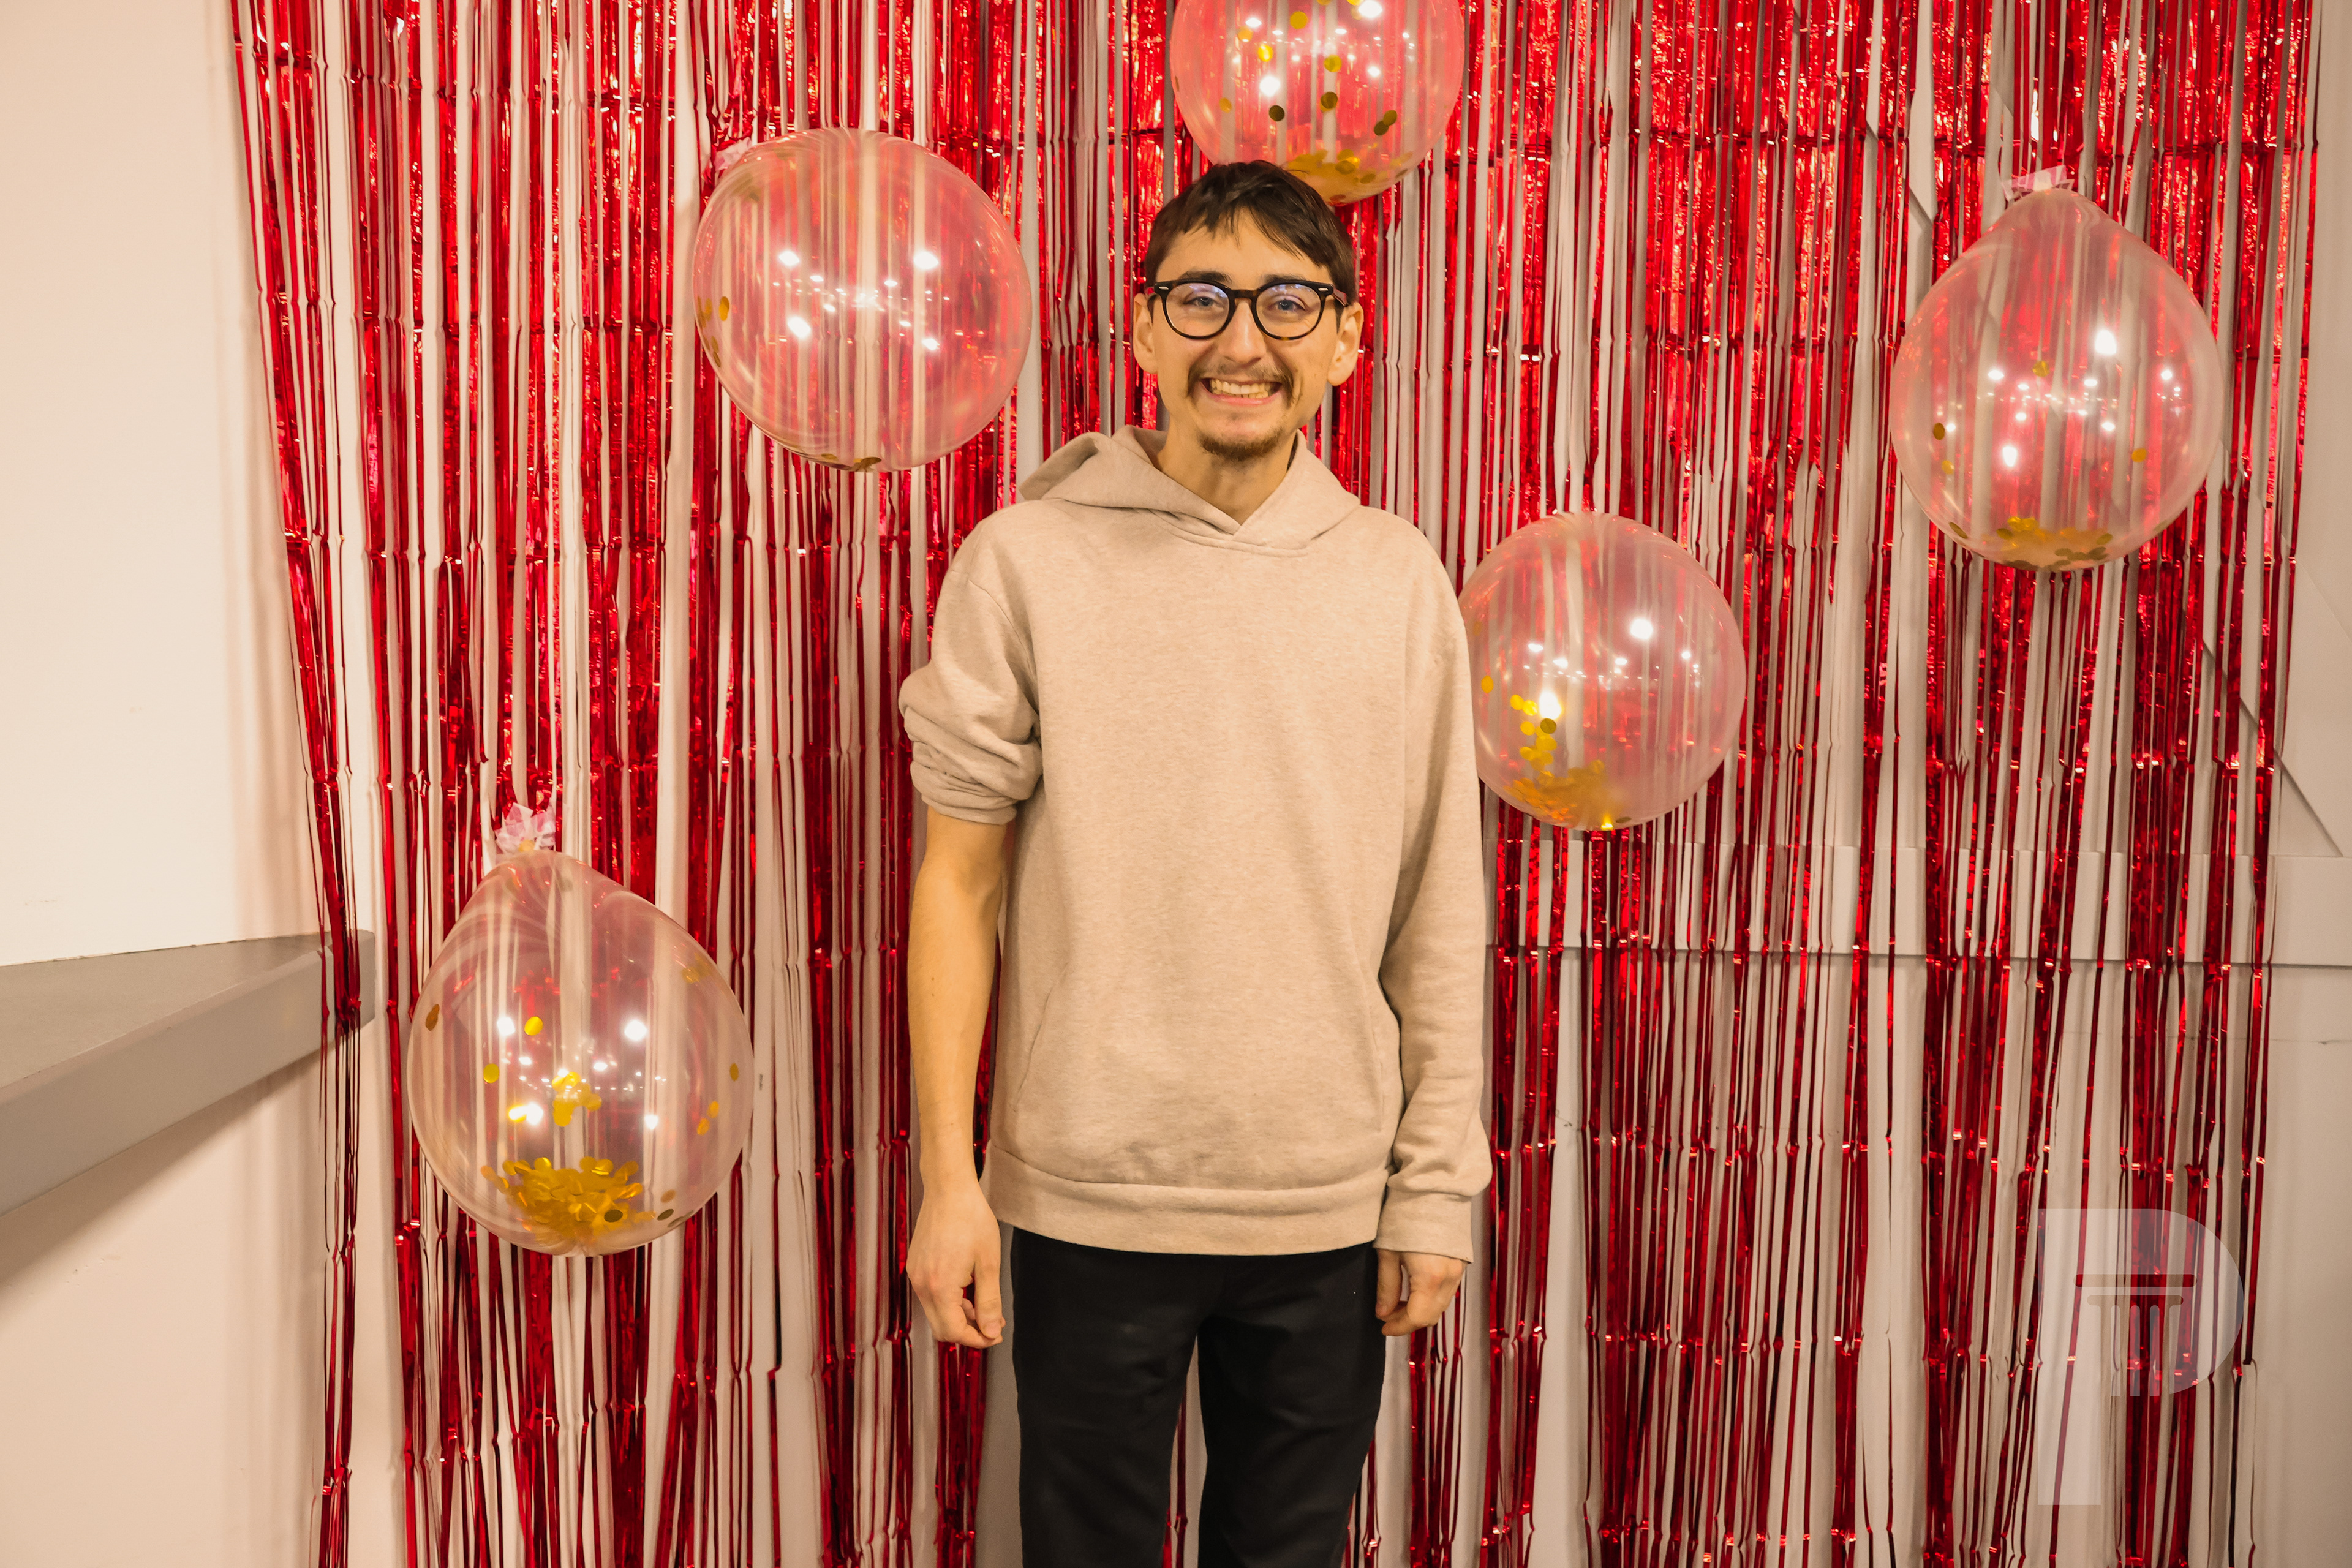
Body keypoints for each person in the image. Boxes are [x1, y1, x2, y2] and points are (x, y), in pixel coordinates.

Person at [898, 159, 1492, 1568]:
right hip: (1088, 1193)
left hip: (1327, 1202)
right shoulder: (1023, 561)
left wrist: (1432, 1186)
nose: (1243, 339)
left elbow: (1438, 909)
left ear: (1346, 338)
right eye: (1203, 297)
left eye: (1289, 302)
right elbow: (957, 884)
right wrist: (947, 1179)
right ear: (1145, 326)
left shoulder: (1398, 578)